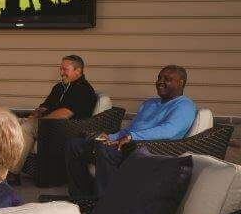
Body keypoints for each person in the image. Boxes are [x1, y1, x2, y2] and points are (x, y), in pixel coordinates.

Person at [65, 65, 197, 196]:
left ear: (181, 83)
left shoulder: (184, 105)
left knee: (104, 150)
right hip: (126, 145)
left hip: (149, 152)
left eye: (167, 79)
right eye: (159, 78)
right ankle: (82, 197)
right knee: (74, 145)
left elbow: (169, 131)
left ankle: (104, 202)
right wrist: (110, 137)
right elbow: (131, 129)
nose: (160, 82)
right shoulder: (149, 103)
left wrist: (131, 137)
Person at [9, 54, 97, 183]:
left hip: (65, 129)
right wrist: (36, 113)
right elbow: (45, 106)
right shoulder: (60, 88)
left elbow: (64, 113)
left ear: (78, 71)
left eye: (65, 69)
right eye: (60, 69)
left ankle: (12, 173)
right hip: (48, 124)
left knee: (27, 128)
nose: (61, 72)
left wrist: (39, 120)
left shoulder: (82, 90)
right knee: (11, 124)